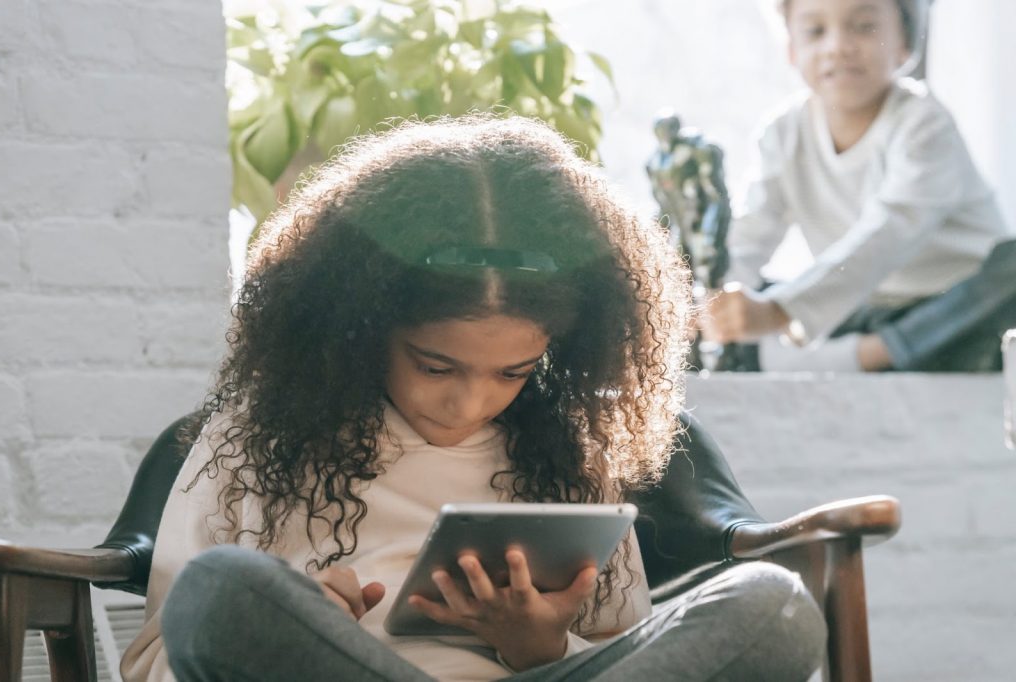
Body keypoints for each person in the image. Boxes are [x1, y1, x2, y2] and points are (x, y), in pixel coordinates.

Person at [120, 116, 826, 682]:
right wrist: (307, 623)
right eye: (435, 366)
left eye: (513, 372)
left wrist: (544, 649)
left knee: (775, 608)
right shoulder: (253, 443)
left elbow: (632, 652)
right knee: (222, 591)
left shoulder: (573, 453)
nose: (469, 404)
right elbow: (160, 654)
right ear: (360, 325)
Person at [705, 0, 1016, 372]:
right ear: (791, 49)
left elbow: (888, 234)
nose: (838, 46)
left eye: (864, 26)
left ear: (904, 44)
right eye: (815, 31)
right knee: (761, 295)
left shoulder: (923, 123)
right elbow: (749, 234)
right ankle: (869, 350)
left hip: (953, 301)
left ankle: (864, 356)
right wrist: (721, 304)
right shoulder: (783, 133)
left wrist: (780, 311)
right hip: (862, 306)